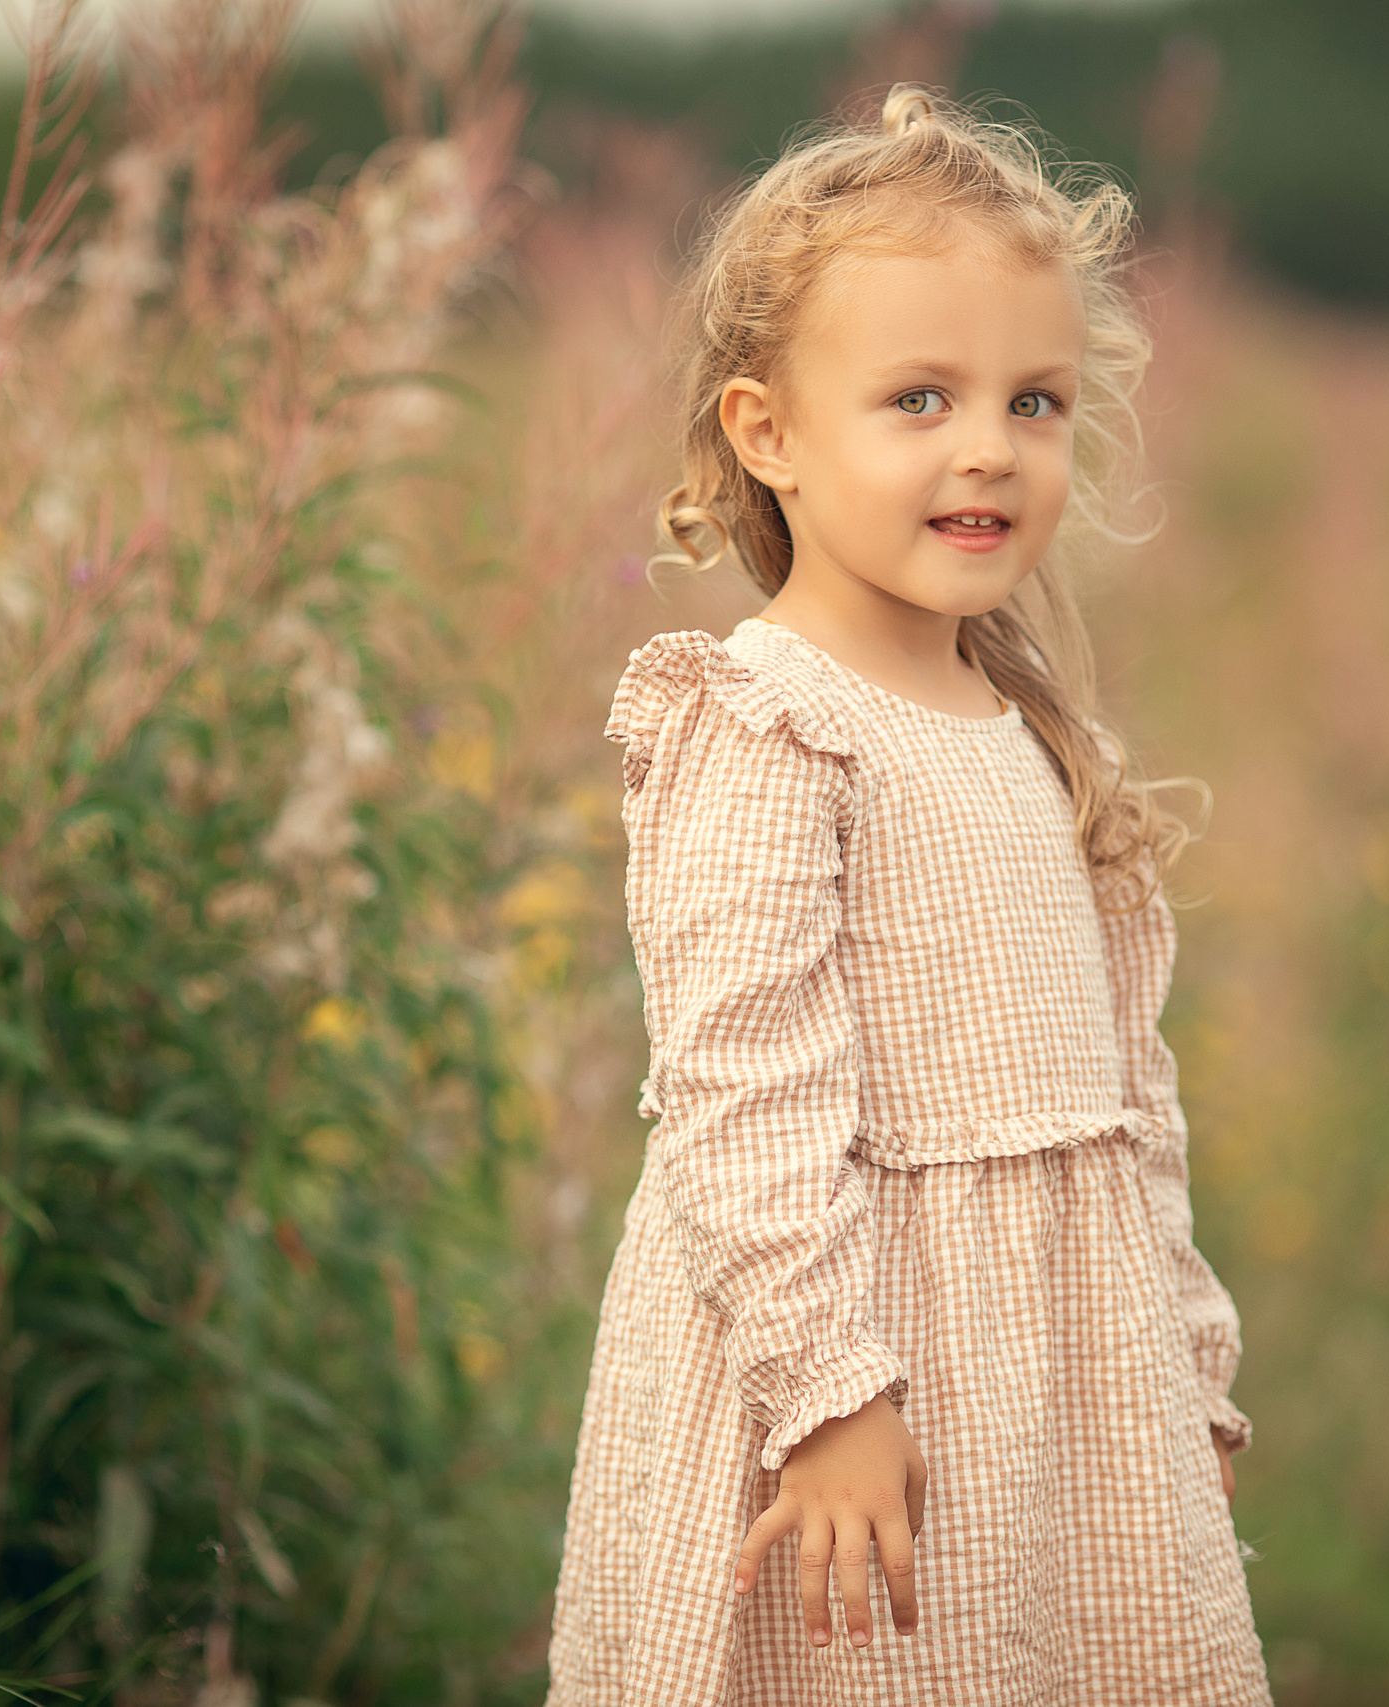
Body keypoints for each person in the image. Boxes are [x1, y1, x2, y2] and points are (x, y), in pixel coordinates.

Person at [545, 85, 1271, 1705]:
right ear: (768, 433)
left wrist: (1183, 1373)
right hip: (852, 1395)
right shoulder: (768, 719)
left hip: (1059, 1402)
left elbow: (1128, 1108)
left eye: (1036, 402)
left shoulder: (1036, 741)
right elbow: (739, 1093)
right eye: (920, 398)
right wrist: (830, 1398)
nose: (987, 450)